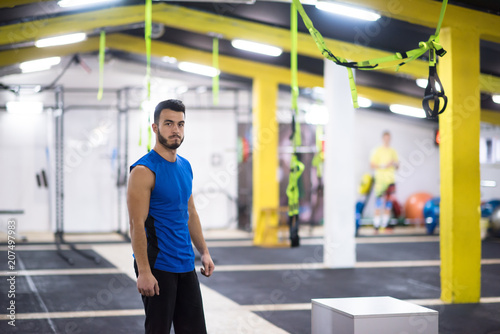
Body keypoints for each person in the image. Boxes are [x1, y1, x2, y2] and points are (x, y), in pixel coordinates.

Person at [127, 99, 215, 334]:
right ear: (155, 128)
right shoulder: (143, 171)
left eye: (180, 124)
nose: (176, 130)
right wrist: (144, 272)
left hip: (185, 262)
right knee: (158, 330)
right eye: (168, 123)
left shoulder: (185, 166)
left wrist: (204, 252)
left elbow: (191, 213)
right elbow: (136, 225)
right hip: (158, 265)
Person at [370, 131, 399, 232]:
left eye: (388, 138)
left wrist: (394, 163)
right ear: (383, 138)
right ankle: (376, 226)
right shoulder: (377, 151)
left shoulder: (393, 151)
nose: (387, 140)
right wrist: (384, 165)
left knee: (388, 204)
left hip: (390, 180)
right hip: (380, 181)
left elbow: (398, 165)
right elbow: (372, 165)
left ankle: (385, 225)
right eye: (385, 138)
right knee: (378, 203)